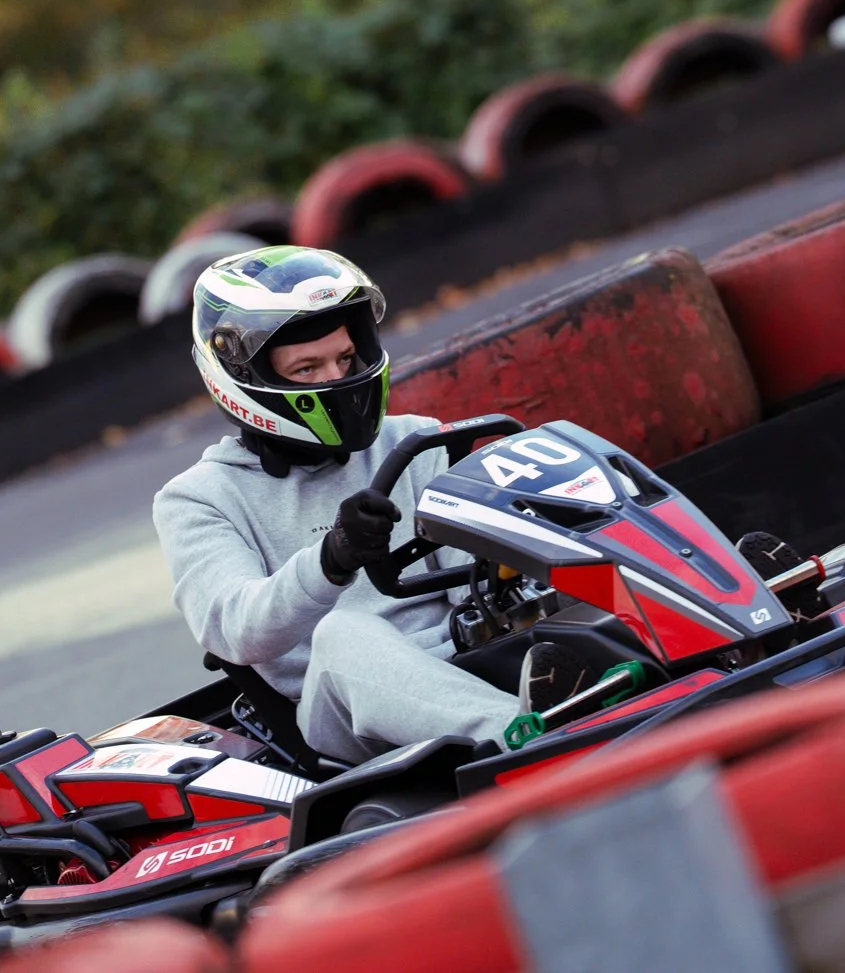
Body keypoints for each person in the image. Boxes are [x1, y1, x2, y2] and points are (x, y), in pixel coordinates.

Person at [151, 245, 589, 764]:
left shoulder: (416, 441)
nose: (335, 381)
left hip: (464, 662)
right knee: (345, 634)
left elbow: (474, 590)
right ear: (244, 379)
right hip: (334, 718)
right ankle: (528, 734)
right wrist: (331, 558)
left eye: (343, 359)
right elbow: (236, 630)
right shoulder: (198, 499)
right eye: (306, 369)